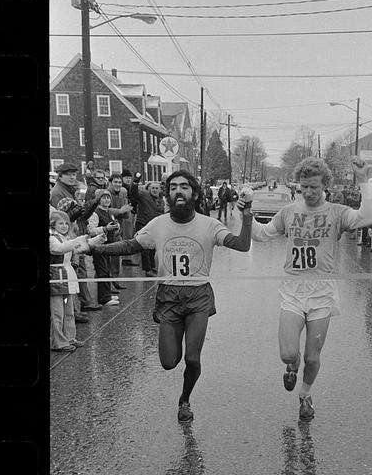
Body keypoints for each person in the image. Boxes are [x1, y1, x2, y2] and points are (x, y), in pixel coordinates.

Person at [94, 170, 254, 422]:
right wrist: (95, 248)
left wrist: (246, 217)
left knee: (192, 357)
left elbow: (243, 245)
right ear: (168, 194)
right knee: (169, 362)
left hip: (198, 295)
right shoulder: (158, 224)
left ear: (195, 193)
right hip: (168, 295)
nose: (178, 191)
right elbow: (129, 245)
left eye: (184, 187)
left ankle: (185, 400)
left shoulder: (209, 225)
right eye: (173, 187)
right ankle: (176, 350)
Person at [248, 156, 372, 422]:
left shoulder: (337, 212)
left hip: (322, 292)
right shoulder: (289, 212)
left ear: (325, 186)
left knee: (312, 356)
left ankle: (305, 394)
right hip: (293, 290)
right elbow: (261, 235)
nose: (308, 192)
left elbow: (369, 216)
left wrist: (364, 181)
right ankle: (291, 365)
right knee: (288, 353)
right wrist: (245, 213)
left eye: (314, 187)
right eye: (303, 187)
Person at [51, 163, 103, 315]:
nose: (73, 177)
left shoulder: (71, 190)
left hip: (75, 233)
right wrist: (71, 217)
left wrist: (93, 203)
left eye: (74, 174)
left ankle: (82, 304)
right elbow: (59, 219)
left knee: (80, 270)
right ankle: (74, 309)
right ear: (60, 176)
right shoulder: (57, 192)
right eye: (69, 174)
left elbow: (81, 214)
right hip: (66, 238)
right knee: (72, 271)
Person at [49, 210, 103, 351]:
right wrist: (79, 240)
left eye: (66, 223)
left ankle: (69, 338)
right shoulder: (51, 238)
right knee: (57, 313)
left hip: (66, 278)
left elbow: (78, 247)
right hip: (56, 277)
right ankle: (58, 342)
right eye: (61, 223)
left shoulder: (65, 238)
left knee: (68, 311)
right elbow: (59, 249)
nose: (65, 226)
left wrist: (96, 240)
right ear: (53, 224)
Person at [87, 190, 122, 308]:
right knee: (102, 271)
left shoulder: (109, 212)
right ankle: (103, 298)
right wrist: (105, 228)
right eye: (103, 198)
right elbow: (91, 230)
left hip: (108, 246)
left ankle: (107, 294)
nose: (107, 200)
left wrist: (116, 227)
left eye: (108, 197)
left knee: (107, 270)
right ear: (98, 199)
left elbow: (113, 226)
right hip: (98, 246)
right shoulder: (95, 213)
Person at [130, 181, 164, 276]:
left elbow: (160, 211)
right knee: (145, 248)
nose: (154, 190)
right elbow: (134, 193)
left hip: (155, 226)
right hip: (143, 224)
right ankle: (147, 269)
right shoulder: (144, 195)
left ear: (160, 190)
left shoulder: (161, 199)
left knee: (153, 247)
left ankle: (152, 266)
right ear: (149, 189)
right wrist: (135, 183)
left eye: (156, 188)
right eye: (152, 188)